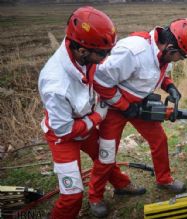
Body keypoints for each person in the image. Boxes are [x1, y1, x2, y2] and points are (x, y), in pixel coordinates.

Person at [91, 18, 187, 210]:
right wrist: (124, 106)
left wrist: (170, 87)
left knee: (159, 140)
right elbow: (100, 81)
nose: (180, 60)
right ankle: (95, 197)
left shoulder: (163, 54)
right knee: (107, 153)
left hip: (139, 104)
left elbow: (159, 73)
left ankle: (164, 179)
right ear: (170, 48)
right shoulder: (132, 52)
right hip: (114, 107)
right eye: (181, 57)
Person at [38, 6, 121, 218]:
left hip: (84, 123)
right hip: (63, 136)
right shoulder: (56, 84)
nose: (106, 57)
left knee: (106, 157)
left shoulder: (82, 56)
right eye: (103, 53)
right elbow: (64, 130)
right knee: (72, 196)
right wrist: (97, 117)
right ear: (82, 51)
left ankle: (122, 185)